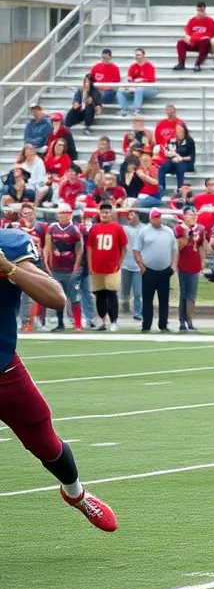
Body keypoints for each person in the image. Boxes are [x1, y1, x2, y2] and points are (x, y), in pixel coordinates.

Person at [0, 227, 117, 530]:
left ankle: (75, 493)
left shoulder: (9, 245)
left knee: (44, 438)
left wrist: (10, 269)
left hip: (3, 369)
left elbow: (55, 297)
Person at [85, 202, 126, 331]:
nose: (105, 215)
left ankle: (114, 321)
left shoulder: (117, 227)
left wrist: (119, 262)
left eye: (107, 212)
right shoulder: (95, 228)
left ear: (111, 213)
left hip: (112, 267)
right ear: (99, 213)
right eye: (103, 212)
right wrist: (90, 266)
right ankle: (103, 320)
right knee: (100, 295)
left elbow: (123, 247)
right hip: (97, 268)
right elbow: (89, 247)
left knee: (112, 294)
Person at [43, 205, 83, 331]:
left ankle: (78, 324)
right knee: (58, 297)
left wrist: (76, 268)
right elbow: (47, 248)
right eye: (61, 213)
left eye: (66, 213)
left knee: (75, 297)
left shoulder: (74, 230)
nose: (64, 216)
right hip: (56, 268)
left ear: (70, 215)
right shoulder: (52, 228)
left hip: (70, 268)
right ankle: (60, 323)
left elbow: (79, 250)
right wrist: (47, 265)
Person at [175, 206, 204, 332]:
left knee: (192, 295)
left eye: (194, 214)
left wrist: (202, 263)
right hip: (183, 265)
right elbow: (177, 247)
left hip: (195, 265)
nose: (192, 216)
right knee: (183, 294)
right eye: (189, 214)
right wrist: (186, 237)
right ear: (184, 216)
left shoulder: (200, 229)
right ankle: (182, 321)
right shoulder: (179, 228)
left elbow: (201, 246)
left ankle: (190, 320)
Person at [175, 2, 214, 72]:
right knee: (181, 42)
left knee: (206, 42)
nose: (200, 12)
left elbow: (212, 33)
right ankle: (181, 63)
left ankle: (197, 64)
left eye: (201, 10)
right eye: (198, 10)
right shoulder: (192, 21)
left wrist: (204, 37)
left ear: (205, 10)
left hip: (203, 44)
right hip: (193, 42)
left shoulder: (210, 21)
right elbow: (187, 32)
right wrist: (188, 37)